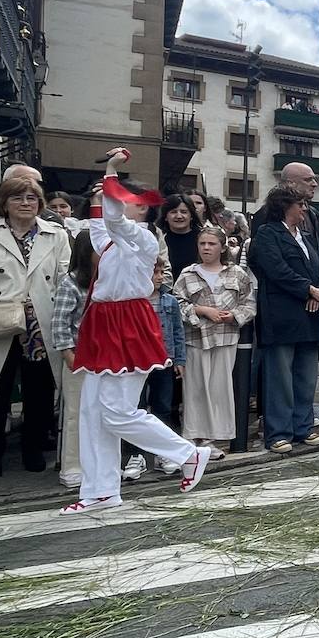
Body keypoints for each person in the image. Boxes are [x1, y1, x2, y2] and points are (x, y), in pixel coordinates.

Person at [61, 149, 215, 514]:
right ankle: (100, 491)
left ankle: (188, 453)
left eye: (130, 201)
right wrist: (102, 194)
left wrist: (113, 172)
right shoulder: (110, 240)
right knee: (93, 412)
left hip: (126, 323)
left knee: (114, 410)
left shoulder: (144, 239)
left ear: (141, 209)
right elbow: (100, 225)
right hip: (104, 323)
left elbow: (111, 221)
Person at [0, 175, 69, 479]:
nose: (25, 203)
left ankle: (33, 449)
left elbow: (64, 279)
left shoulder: (56, 235)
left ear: (40, 203)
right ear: (4, 203)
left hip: (40, 321)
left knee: (39, 391)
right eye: (18, 198)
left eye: (32, 198)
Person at [248, 184, 319, 454]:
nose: (305, 208)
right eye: (300, 204)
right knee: (280, 377)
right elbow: (276, 269)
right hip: (281, 315)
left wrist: (318, 291)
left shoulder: (305, 236)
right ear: (285, 206)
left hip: (310, 314)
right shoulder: (267, 233)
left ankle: (303, 426)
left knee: (306, 376)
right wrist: (308, 289)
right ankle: (278, 432)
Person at [175, 225, 257, 449]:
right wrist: (201, 311)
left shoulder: (237, 274)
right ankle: (194, 437)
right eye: (202, 244)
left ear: (222, 247)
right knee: (195, 389)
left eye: (211, 244)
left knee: (220, 388)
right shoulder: (187, 274)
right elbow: (177, 304)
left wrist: (234, 316)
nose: (206, 248)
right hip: (196, 337)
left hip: (226, 336)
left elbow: (249, 304)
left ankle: (214, 438)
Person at [123, 257, 185, 480]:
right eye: (154, 272)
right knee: (135, 408)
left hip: (163, 360)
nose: (159, 277)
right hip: (136, 362)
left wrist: (179, 360)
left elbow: (178, 331)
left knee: (163, 406)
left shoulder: (169, 301)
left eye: (161, 272)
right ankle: (135, 455)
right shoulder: (130, 301)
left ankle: (163, 453)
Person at [50, 230, 95, 488]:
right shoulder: (71, 283)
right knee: (76, 413)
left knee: (100, 414)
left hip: (104, 357)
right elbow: (60, 322)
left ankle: (96, 464)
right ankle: (72, 466)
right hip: (78, 355)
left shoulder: (107, 280)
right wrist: (68, 353)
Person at [157, 193, 203, 283]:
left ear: (191, 216)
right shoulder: (159, 241)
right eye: (173, 212)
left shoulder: (204, 239)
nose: (179, 216)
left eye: (184, 212)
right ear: (165, 217)